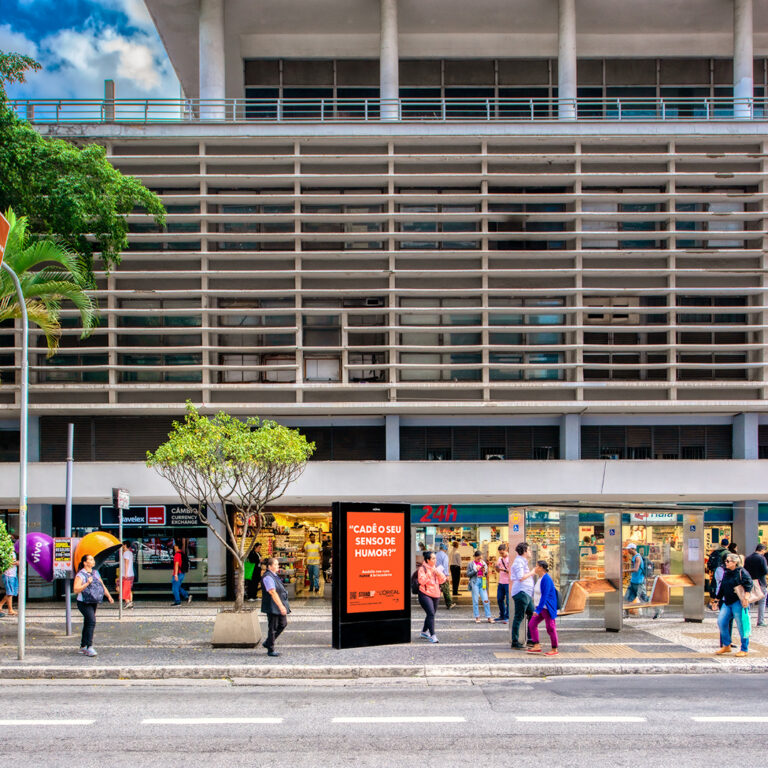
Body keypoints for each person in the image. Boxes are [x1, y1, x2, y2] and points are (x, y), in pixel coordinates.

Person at [73, 554, 114, 656]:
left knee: (88, 622)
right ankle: (89, 647)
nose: (93, 561)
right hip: (83, 602)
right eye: (90, 559)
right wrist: (87, 583)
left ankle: (83, 646)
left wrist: (109, 596)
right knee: (92, 621)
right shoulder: (80, 575)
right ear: (85, 563)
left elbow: (102, 585)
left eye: (93, 559)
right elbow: (75, 589)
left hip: (93, 601)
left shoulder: (95, 573)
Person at [714, 552, 753, 657]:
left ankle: (744, 648)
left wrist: (746, 597)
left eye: (728, 561)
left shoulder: (741, 572)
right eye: (725, 561)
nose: (725, 563)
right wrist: (716, 599)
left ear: (735, 562)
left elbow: (749, 584)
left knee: (741, 625)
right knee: (721, 622)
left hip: (738, 602)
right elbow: (722, 586)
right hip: (727, 601)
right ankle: (727, 645)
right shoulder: (726, 572)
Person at [527, 560, 559, 656]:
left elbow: (544, 595)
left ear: (541, 567)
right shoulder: (540, 578)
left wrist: (538, 609)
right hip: (540, 607)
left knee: (550, 627)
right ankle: (536, 645)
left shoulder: (546, 579)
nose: (535, 568)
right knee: (532, 624)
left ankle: (554, 649)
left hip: (546, 608)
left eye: (536, 566)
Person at [261, 557, 290, 657]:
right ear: (269, 566)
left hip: (278, 604)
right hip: (272, 605)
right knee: (273, 627)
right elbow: (272, 592)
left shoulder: (274, 575)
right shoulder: (268, 577)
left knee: (283, 623)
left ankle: (268, 642)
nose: (278, 566)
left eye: (278, 564)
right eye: (276, 564)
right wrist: (281, 606)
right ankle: (270, 649)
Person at [417, 550, 447, 643]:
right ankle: (433, 635)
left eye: (435, 558)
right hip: (425, 594)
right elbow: (421, 581)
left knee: (431, 614)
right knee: (431, 613)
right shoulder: (422, 569)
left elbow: (443, 580)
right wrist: (430, 573)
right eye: (433, 558)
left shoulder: (436, 568)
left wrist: (438, 573)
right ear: (427, 560)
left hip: (436, 594)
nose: (435, 560)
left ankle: (423, 632)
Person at [510, 542, 535, 648]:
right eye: (528, 550)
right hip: (522, 592)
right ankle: (515, 641)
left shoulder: (522, 561)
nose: (530, 552)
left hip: (526, 592)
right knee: (519, 616)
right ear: (524, 551)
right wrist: (532, 572)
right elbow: (521, 577)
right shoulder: (518, 562)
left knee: (531, 614)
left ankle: (530, 638)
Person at [744, 543, 768, 627]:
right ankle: (760, 621)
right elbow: (765, 571)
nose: (764, 552)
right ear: (762, 550)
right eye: (764, 550)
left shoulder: (748, 558)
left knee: (749, 601)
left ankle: (746, 619)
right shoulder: (762, 558)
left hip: (750, 582)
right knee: (762, 601)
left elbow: (745, 570)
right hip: (760, 582)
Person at [467, 550, 492, 623]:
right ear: (475, 557)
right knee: (475, 600)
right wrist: (475, 570)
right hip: (475, 582)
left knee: (486, 600)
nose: (479, 560)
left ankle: (489, 616)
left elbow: (486, 573)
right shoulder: (471, 564)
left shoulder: (483, 563)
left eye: (480, 558)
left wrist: (485, 571)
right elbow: (468, 574)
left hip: (482, 581)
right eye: (478, 558)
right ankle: (477, 617)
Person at [171, 541, 191, 606]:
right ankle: (186, 596)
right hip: (182, 573)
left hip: (178, 574)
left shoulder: (177, 554)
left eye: (174, 545)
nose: (174, 546)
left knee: (175, 588)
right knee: (178, 586)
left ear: (177, 546)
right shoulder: (182, 553)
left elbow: (176, 565)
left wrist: (176, 574)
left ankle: (178, 601)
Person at [0, 546, 19, 616]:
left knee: (13, 592)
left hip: (13, 573)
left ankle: (1, 604)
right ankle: (10, 610)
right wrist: (16, 563)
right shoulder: (6, 552)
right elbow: (5, 563)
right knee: (10, 592)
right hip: (8, 574)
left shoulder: (12, 552)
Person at [494, 544, 510, 624]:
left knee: (508, 600)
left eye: (502, 553)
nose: (501, 555)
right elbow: (497, 570)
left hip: (508, 582)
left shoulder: (510, 558)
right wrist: (496, 568)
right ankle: (502, 615)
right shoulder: (500, 559)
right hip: (501, 582)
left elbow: (510, 572)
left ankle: (507, 616)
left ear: (506, 550)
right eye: (500, 553)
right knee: (499, 599)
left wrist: (502, 570)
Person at [435, 545, 453, 609]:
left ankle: (433, 603)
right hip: (442, 575)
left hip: (436, 574)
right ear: (445, 549)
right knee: (446, 590)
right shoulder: (445, 556)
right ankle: (449, 604)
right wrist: (447, 575)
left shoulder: (435, 555)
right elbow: (445, 566)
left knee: (436, 589)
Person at [120, 541, 134, 609]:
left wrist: (125, 573)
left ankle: (128, 602)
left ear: (125, 545)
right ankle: (130, 603)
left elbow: (126, 563)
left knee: (121, 588)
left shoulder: (125, 553)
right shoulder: (130, 553)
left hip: (126, 574)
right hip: (131, 574)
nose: (122, 546)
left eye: (123, 545)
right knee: (128, 589)